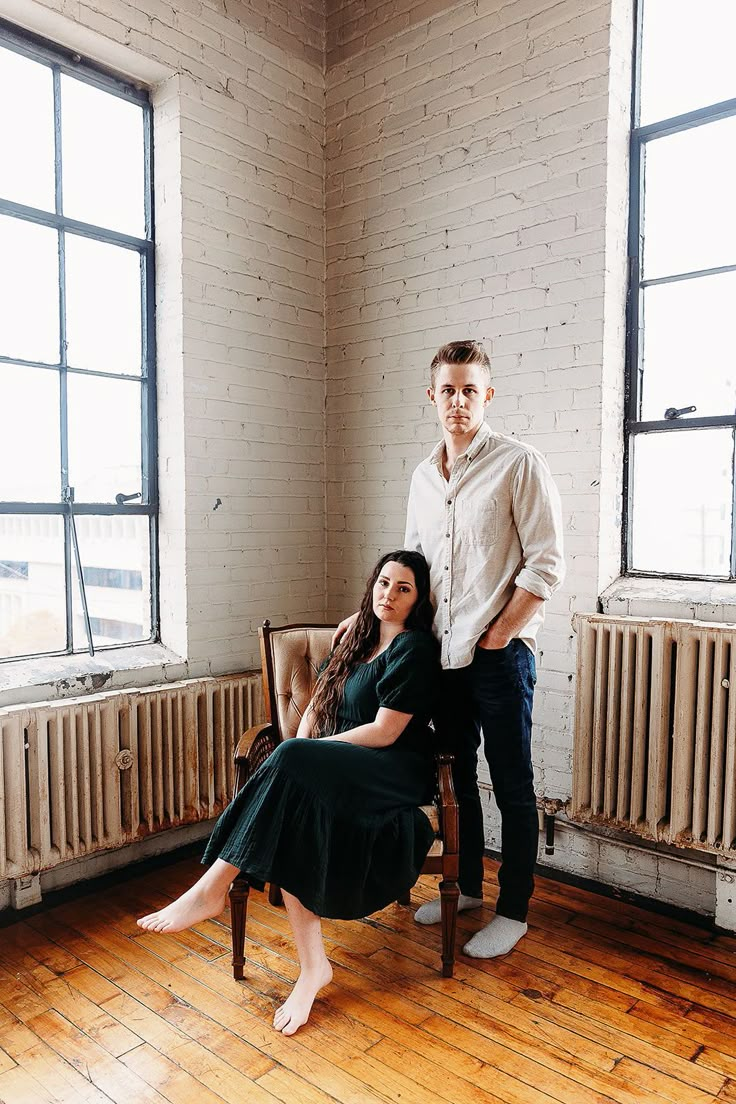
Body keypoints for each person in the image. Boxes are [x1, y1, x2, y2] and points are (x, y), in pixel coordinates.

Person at [138, 550, 440, 1036]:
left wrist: (305, 753)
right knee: (294, 806)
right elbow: (317, 707)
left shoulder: (414, 649)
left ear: (419, 598)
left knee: (296, 759)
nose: (388, 595)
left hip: (390, 767)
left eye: (403, 588)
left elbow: (385, 733)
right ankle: (313, 966)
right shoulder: (354, 639)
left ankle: (208, 890)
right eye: (383, 583)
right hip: (338, 765)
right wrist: (299, 749)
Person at [334, 340, 564, 959]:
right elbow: (413, 568)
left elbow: (546, 563)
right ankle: (465, 890)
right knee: (456, 778)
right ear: (431, 397)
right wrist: (362, 622)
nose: (458, 400)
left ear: (486, 395)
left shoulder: (519, 463)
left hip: (500, 652)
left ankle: (513, 909)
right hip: (441, 656)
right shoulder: (421, 477)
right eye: (448, 390)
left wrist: (501, 632)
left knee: (512, 783)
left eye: (470, 389)